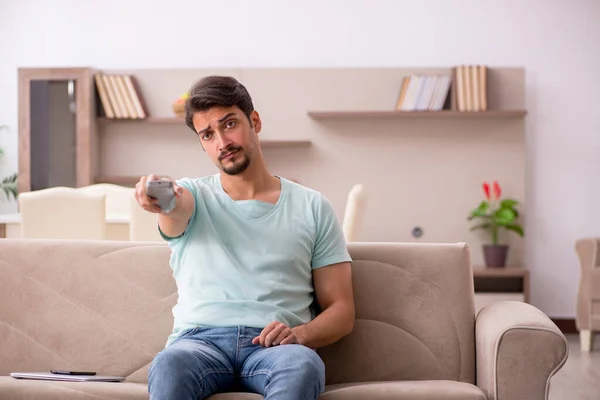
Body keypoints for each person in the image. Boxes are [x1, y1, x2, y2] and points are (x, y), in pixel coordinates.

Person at [134, 75, 355, 400]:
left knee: (303, 365)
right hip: (198, 343)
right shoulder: (192, 196)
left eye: (230, 124)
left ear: (254, 121)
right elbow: (174, 205)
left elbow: (341, 309)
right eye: (208, 134)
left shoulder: (312, 206)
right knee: (169, 364)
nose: (222, 142)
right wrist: (158, 192)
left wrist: (300, 335)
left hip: (276, 347)